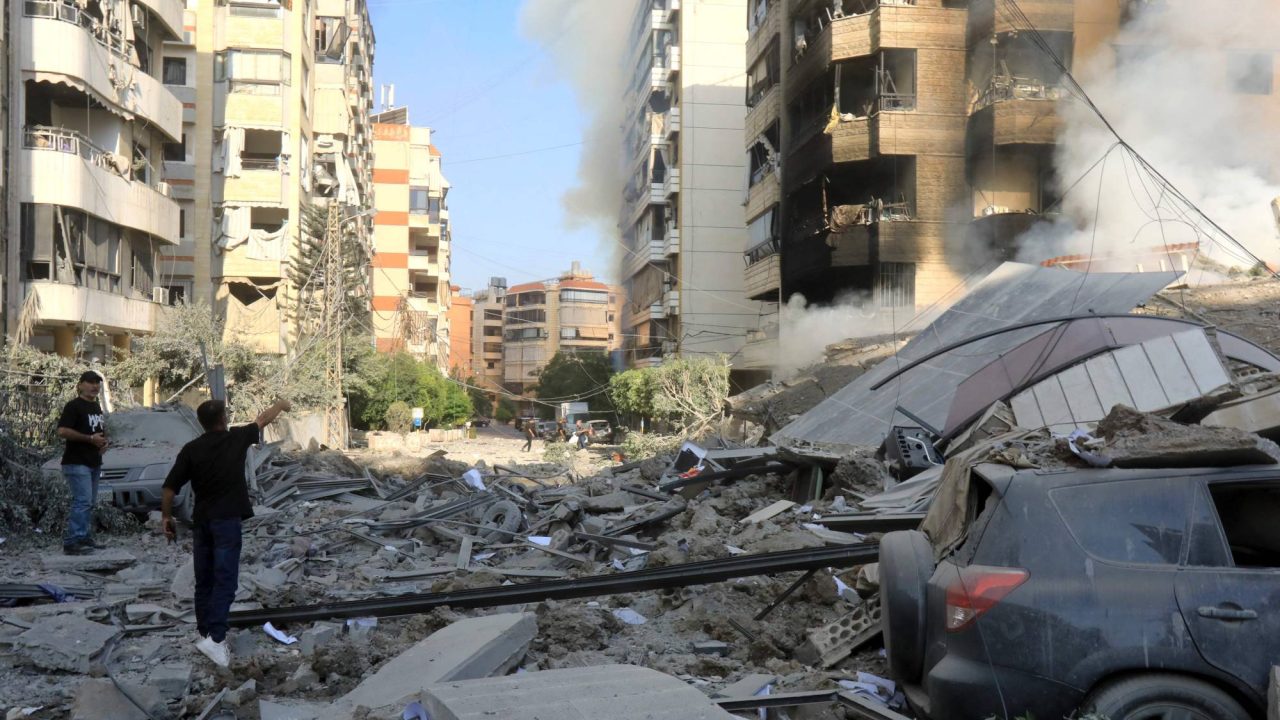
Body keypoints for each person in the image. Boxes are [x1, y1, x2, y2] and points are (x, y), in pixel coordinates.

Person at [161, 398, 291, 668]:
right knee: (226, 580)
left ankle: (205, 634)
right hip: (226, 522)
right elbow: (263, 419)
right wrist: (280, 405)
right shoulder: (236, 438)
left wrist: (166, 516)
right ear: (222, 419)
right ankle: (216, 639)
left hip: (202, 522)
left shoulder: (191, 449)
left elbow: (169, 488)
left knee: (204, 581)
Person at [56, 371, 108, 555]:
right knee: (82, 501)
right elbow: (62, 431)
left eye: (97, 383)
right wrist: (89, 439)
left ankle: (84, 537)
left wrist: (103, 443)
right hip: (76, 462)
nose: (95, 386)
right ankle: (72, 542)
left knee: (90, 502)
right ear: (80, 385)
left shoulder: (95, 406)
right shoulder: (73, 406)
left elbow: (98, 430)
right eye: (90, 382)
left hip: (94, 461)